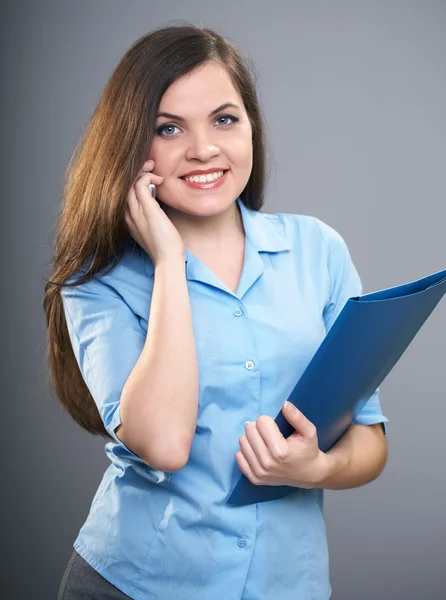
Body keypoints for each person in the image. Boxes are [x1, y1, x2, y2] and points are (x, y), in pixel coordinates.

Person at [44, 23, 389, 600]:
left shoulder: (318, 251)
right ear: (134, 148)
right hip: (137, 583)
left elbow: (370, 439)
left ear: (251, 126)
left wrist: (317, 469)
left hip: (288, 584)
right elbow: (164, 444)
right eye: (169, 128)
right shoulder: (98, 281)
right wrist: (170, 263)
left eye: (224, 119)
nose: (203, 148)